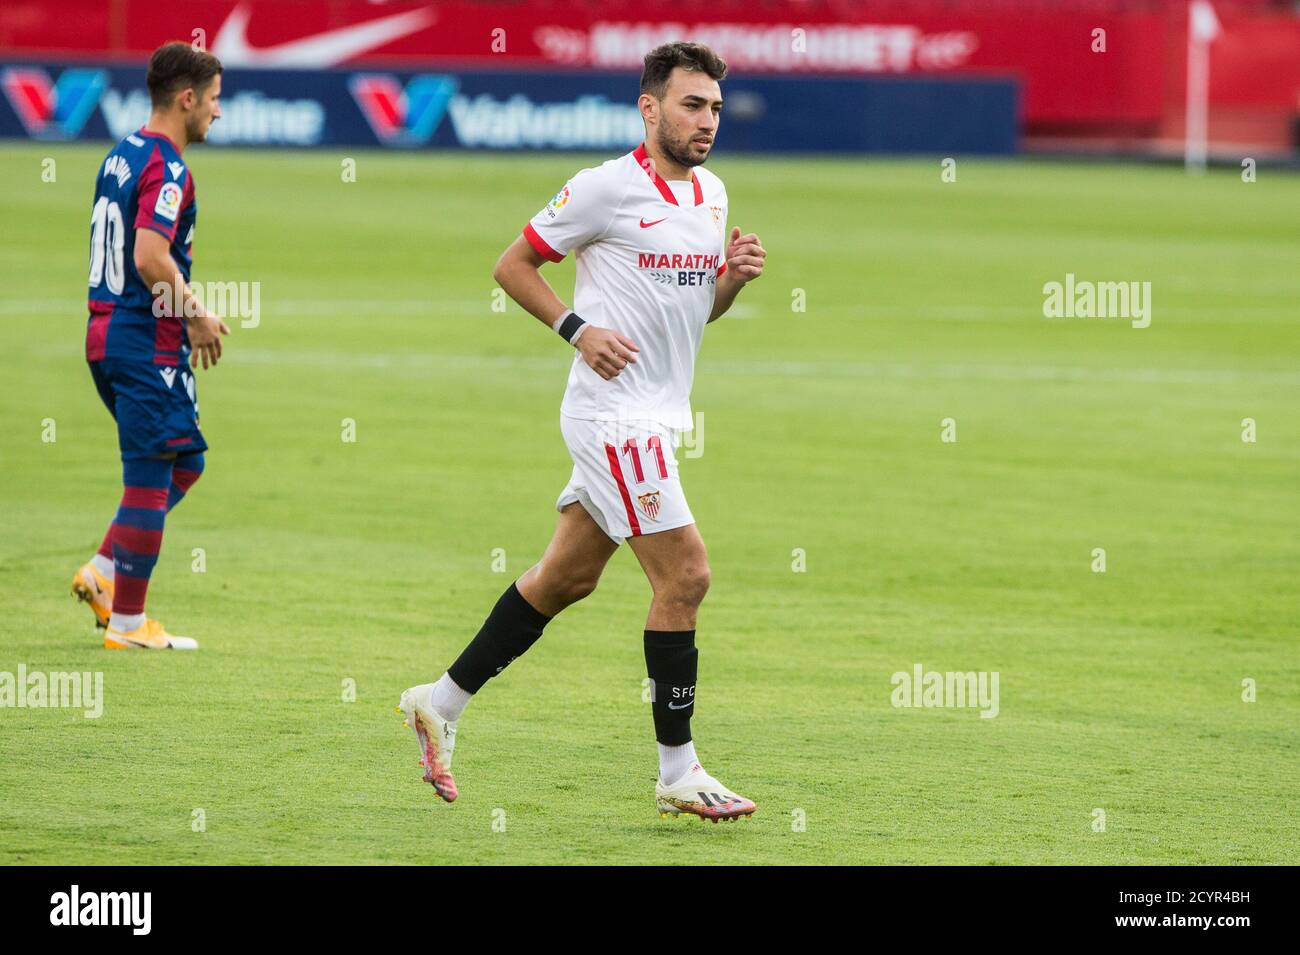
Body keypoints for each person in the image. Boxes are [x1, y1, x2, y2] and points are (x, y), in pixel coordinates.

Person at [400, 42, 768, 821]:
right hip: (611, 417)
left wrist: (729, 279)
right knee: (687, 576)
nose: (706, 121)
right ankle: (679, 770)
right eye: (691, 104)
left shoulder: (712, 194)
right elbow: (512, 264)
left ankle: (440, 700)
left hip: (657, 419)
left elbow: (692, 314)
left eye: (714, 108)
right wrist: (576, 327)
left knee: (567, 577)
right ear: (650, 107)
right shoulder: (606, 188)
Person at [70, 41, 230, 650]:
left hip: (106, 335)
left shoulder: (121, 153)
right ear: (186, 98)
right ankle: (130, 625)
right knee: (150, 472)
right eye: (213, 100)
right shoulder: (167, 166)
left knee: (184, 462)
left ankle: (104, 572)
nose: (218, 112)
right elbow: (149, 255)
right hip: (142, 341)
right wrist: (194, 315)